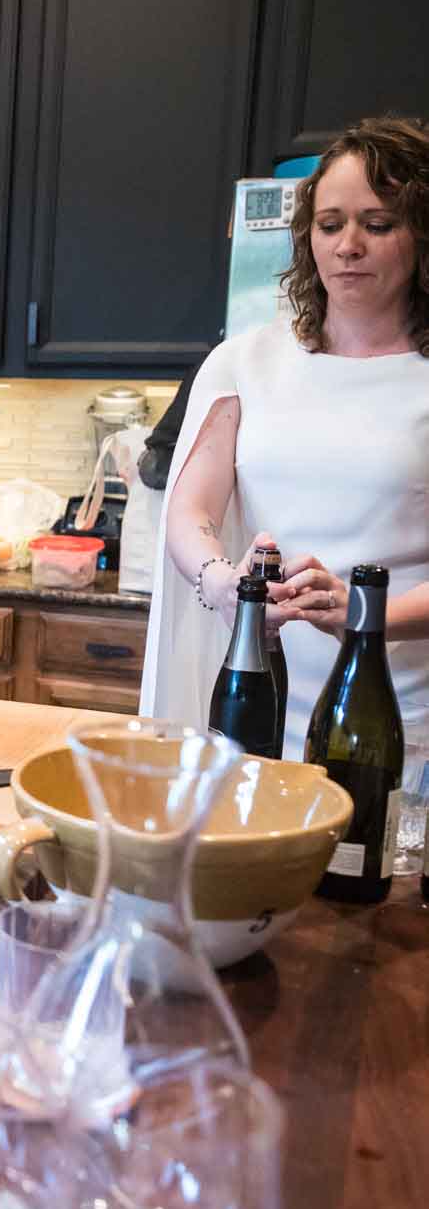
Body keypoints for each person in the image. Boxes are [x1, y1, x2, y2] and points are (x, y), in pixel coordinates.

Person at [141, 114, 429, 756]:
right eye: (330, 225)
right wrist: (222, 583)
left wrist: (361, 611)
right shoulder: (244, 363)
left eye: (377, 225)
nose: (347, 245)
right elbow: (190, 509)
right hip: (256, 694)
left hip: (400, 717)